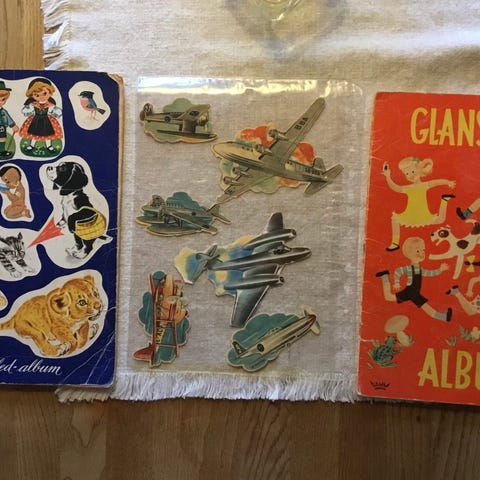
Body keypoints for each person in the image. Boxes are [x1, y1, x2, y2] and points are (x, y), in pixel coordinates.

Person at [383, 156, 455, 251]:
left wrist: (447, 182)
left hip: (423, 215)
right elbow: (395, 188)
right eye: (407, 173)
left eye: (413, 171)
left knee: (441, 219)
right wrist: (388, 176)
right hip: (410, 215)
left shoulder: (424, 185)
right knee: (395, 220)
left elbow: (436, 182)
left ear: (420, 170)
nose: (410, 175)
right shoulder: (408, 188)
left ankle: (444, 200)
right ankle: (394, 243)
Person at [376, 236, 452, 321]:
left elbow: (430, 273)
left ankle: (445, 317)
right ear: (409, 254)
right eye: (417, 251)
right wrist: (397, 283)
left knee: (426, 307)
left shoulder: (420, 269)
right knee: (388, 296)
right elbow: (398, 271)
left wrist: (440, 270)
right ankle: (385, 276)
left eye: (423, 250)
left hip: (414, 293)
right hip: (409, 292)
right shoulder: (409, 268)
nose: (422, 253)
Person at [19, 77, 63, 153]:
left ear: (50, 93)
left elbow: (58, 112)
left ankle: (49, 146)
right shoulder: (33, 104)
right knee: (34, 133)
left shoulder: (50, 104)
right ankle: (31, 145)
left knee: (48, 133)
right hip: (35, 120)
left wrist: (52, 109)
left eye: (44, 93)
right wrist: (30, 107)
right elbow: (25, 111)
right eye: (37, 95)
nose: (41, 97)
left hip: (46, 120)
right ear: (32, 95)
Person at [0, 81, 19, 158]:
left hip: (2, 127)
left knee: (2, 139)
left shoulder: (3, 111)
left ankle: (1, 151)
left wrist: (13, 126)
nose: (0, 102)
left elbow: (8, 119)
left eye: (3, 99)